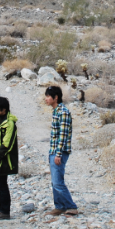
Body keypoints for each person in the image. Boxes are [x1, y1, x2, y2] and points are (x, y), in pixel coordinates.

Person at [44, 86, 78, 216]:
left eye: (48, 96)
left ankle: (71, 206)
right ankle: (59, 206)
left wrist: (58, 154)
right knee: (55, 180)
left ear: (56, 97)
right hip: (54, 150)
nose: (46, 99)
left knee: (58, 182)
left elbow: (62, 135)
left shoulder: (63, 112)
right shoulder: (56, 111)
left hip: (60, 152)